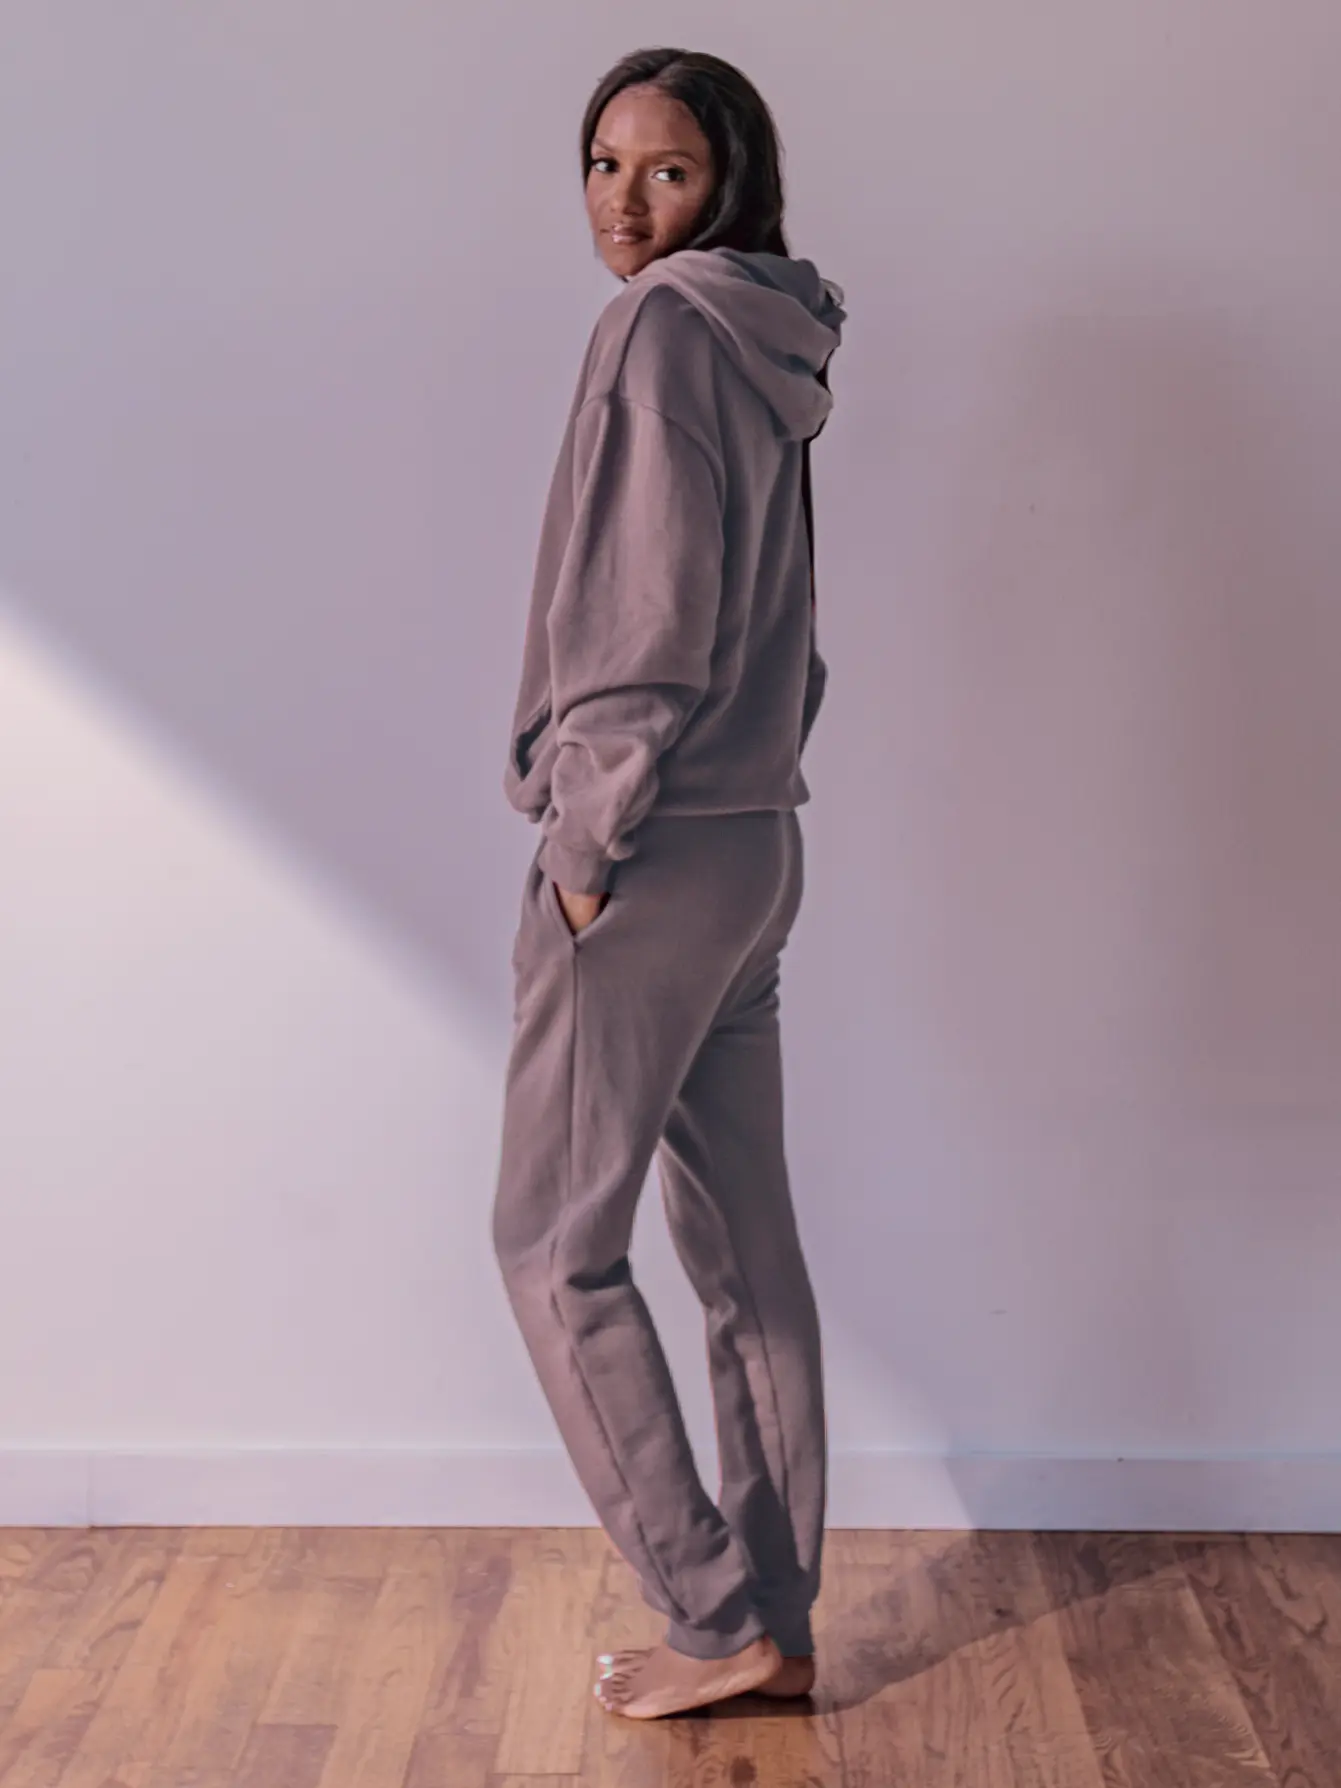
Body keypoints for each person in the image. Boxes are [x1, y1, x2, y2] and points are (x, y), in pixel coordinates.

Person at [491, 44, 846, 1721]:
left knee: (553, 1247)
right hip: (754, 846)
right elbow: (785, 620)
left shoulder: (656, 329)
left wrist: (584, 838)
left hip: (641, 857)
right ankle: (771, 1617)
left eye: (669, 173)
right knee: (743, 1252)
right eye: (603, 166)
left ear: (732, 184)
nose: (626, 206)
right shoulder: (774, 341)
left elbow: (648, 605)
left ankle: (713, 1616)